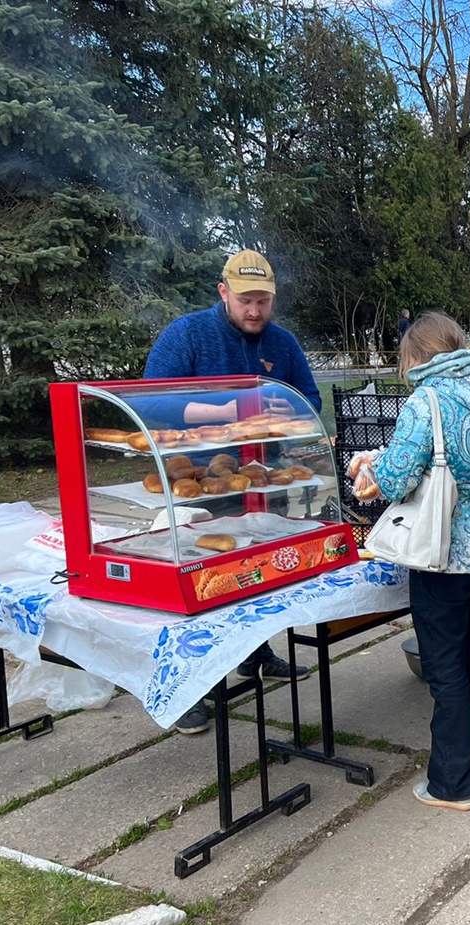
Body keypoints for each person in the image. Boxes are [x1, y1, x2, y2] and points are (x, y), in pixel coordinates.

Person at [143, 250, 319, 735]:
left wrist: (285, 410)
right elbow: (151, 399)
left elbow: (311, 398)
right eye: (246, 301)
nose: (256, 311)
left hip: (261, 477)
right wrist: (226, 411)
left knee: (255, 573)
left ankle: (256, 655)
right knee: (196, 583)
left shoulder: (281, 343)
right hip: (195, 480)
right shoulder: (187, 335)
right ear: (223, 293)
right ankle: (187, 689)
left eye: (263, 301)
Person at [351, 312, 470, 809]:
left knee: (445, 671)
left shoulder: (428, 399)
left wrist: (368, 465)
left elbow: (398, 478)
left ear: (417, 355)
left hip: (442, 554)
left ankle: (452, 783)